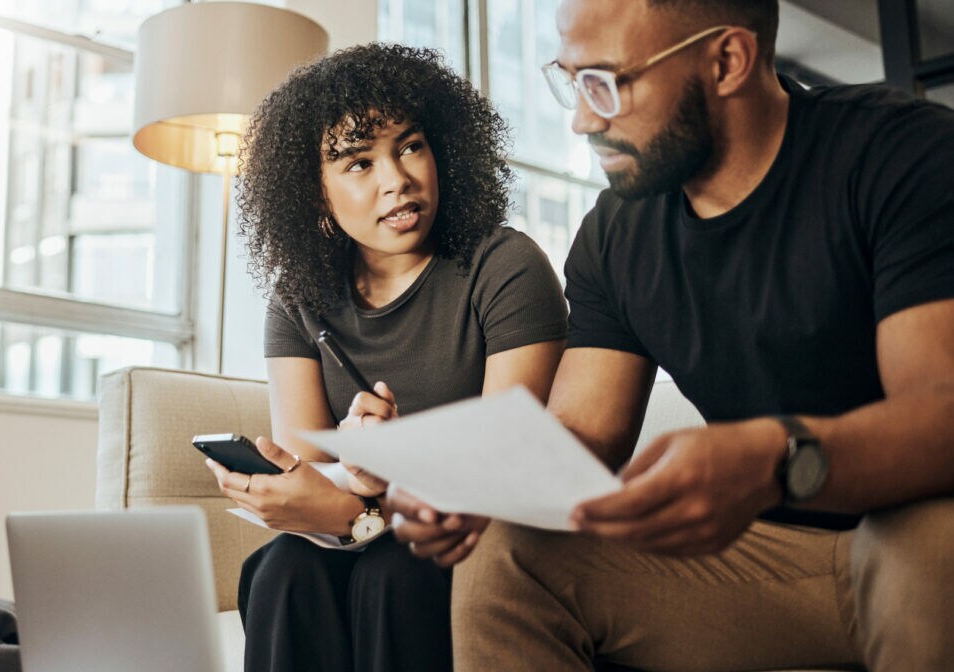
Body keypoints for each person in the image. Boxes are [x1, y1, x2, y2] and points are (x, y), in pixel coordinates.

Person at [388, 1, 954, 670]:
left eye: (603, 82)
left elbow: (941, 414)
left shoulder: (901, 153)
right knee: (510, 551)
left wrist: (773, 461)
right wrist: (478, 486)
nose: (581, 119)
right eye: (569, 81)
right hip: (766, 563)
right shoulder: (615, 233)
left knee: (932, 548)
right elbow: (583, 436)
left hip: (912, 527)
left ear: (727, 61)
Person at [203, 43, 569, 672]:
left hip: (485, 533)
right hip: (367, 532)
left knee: (393, 572)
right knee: (284, 567)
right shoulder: (298, 298)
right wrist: (328, 490)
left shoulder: (504, 266)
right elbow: (312, 476)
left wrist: (366, 501)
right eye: (357, 163)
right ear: (313, 194)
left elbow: (507, 469)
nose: (396, 179)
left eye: (409, 146)